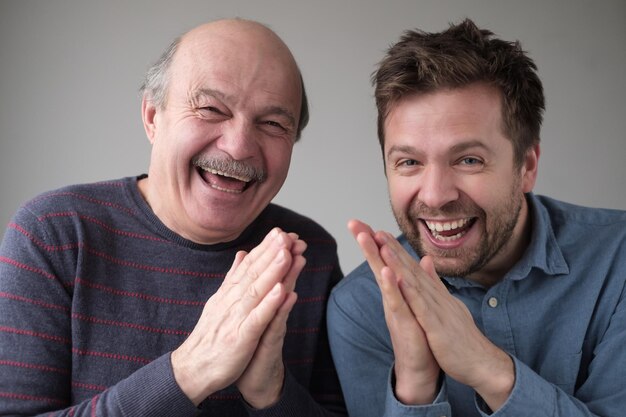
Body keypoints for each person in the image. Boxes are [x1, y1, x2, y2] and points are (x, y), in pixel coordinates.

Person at [0, 18, 346, 416]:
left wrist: (272, 392)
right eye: (211, 109)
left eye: (272, 123)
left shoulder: (308, 252)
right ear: (152, 117)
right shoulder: (53, 235)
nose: (237, 147)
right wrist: (189, 372)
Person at [327, 18, 626, 417]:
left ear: (526, 166)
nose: (435, 195)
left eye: (469, 160)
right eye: (409, 162)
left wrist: (489, 369)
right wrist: (415, 385)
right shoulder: (362, 307)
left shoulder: (618, 261)